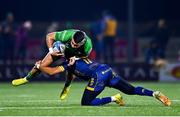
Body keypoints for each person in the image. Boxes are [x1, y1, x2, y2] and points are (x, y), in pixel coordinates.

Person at [35, 57, 171, 106]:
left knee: (86, 102)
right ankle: (154, 94)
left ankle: (114, 98)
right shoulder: (76, 58)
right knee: (131, 90)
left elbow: (52, 72)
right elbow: (71, 75)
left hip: (98, 76)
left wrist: (39, 66)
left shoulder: (67, 63)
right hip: (106, 69)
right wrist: (66, 86)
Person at [12, 29, 93, 99]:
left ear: (82, 43)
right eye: (72, 42)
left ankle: (67, 86)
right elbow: (49, 36)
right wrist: (51, 51)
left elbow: (85, 55)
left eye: (75, 45)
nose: (73, 45)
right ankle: (26, 79)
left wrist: (75, 58)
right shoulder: (67, 35)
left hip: (74, 54)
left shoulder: (88, 46)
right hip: (62, 48)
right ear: (72, 38)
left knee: (71, 71)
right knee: (42, 65)